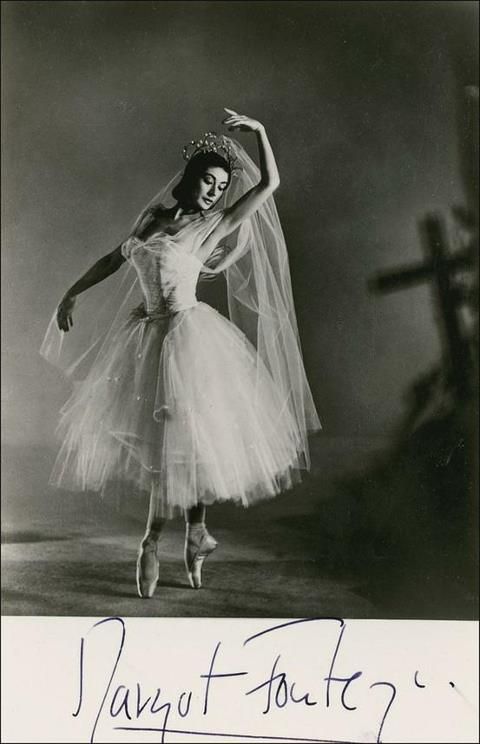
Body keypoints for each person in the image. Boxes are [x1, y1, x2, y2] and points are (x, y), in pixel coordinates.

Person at [41, 108, 321, 599]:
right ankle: (195, 535)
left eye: (220, 186)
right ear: (190, 179)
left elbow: (268, 185)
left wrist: (260, 133)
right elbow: (114, 257)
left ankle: (151, 542)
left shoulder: (213, 225)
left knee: (181, 444)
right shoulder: (152, 219)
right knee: (172, 449)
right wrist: (72, 291)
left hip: (190, 339)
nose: (214, 192)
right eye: (208, 182)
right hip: (147, 336)